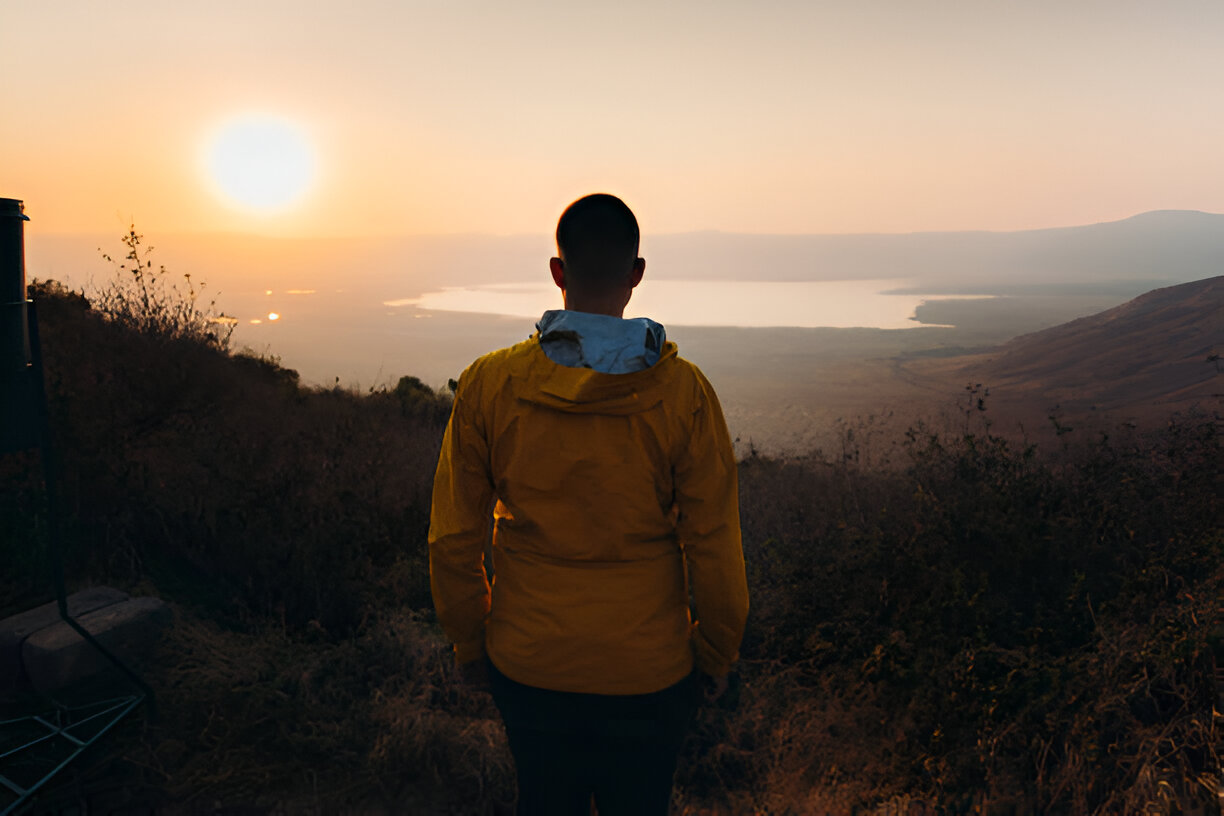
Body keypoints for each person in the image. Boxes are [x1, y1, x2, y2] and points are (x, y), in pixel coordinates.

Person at [428, 193, 749, 816]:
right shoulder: (684, 394)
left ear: (557, 272)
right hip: (649, 674)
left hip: (529, 666)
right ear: (636, 274)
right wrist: (715, 655)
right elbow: (713, 543)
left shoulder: (490, 385)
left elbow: (453, 539)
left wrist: (471, 645)